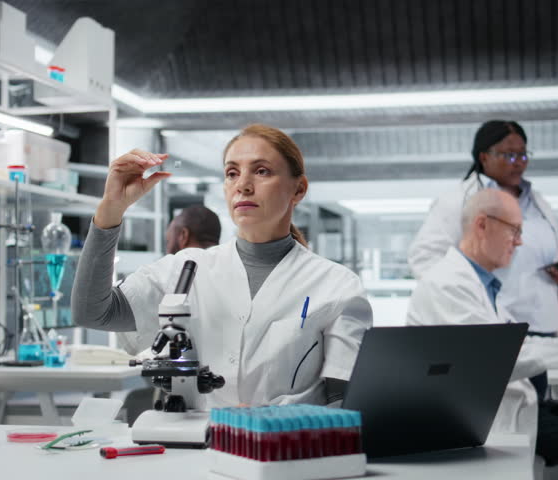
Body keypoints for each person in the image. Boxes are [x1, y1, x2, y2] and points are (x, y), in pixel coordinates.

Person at [72, 124, 372, 407]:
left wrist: (273, 419)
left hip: (288, 452)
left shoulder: (336, 285)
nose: (243, 185)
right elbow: (92, 312)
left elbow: (346, 403)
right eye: (231, 173)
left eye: (262, 171)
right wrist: (110, 209)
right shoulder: (185, 268)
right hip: (198, 453)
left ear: (298, 189)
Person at [406, 189, 558, 480]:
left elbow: (515, 342)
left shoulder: (480, 284)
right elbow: (492, 358)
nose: (520, 241)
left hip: (510, 406)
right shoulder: (448, 285)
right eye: (515, 230)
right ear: (482, 225)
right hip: (479, 421)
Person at [408, 120, 558, 337]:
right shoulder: (457, 201)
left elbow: (551, 255)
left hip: (546, 323)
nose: (518, 163)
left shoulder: (539, 204)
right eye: (509, 155)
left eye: (523, 155)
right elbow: (425, 258)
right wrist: (467, 296)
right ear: (484, 157)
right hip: (491, 320)